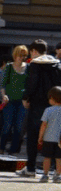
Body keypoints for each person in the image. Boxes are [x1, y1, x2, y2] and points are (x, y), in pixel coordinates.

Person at [20, 39, 61, 177]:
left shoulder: (36, 64)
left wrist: (26, 98)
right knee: (55, 136)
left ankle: (30, 168)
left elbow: (32, 84)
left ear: (33, 51)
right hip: (55, 104)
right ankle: (55, 169)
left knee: (33, 135)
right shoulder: (57, 64)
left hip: (37, 105)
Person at [0, 45, 29, 154]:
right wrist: (4, 95)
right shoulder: (9, 67)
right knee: (7, 125)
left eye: (24, 56)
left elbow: (29, 84)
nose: (21, 58)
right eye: (19, 55)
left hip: (22, 101)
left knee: (19, 126)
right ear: (15, 55)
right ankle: (1, 147)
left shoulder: (28, 67)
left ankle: (13, 149)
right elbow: (3, 84)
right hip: (10, 100)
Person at [37, 86, 61, 183]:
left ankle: (45, 175)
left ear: (52, 98)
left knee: (47, 157)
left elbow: (44, 124)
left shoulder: (48, 110)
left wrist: (40, 136)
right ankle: (58, 175)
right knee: (59, 158)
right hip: (59, 139)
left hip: (48, 138)